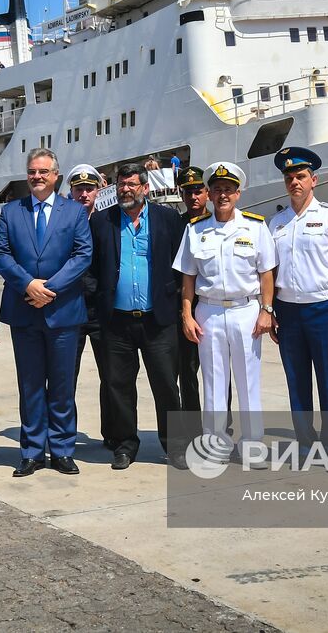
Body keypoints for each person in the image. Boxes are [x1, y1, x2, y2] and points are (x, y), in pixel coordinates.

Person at [0, 148, 93, 477]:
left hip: (62, 310)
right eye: (32, 171)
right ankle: (33, 451)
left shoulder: (73, 212)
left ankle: (63, 448)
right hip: (24, 312)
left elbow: (82, 255)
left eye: (43, 172)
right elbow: (2, 255)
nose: (37, 177)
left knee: (63, 385)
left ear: (56, 176)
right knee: (31, 384)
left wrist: (48, 289)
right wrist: (27, 285)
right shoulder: (11, 211)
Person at [173, 162, 276, 455]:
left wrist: (267, 310)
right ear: (209, 193)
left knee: (248, 382)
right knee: (213, 383)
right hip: (209, 311)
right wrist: (186, 314)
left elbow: (267, 273)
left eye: (228, 189)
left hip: (246, 311)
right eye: (217, 190)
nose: (222, 195)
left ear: (238, 193)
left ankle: (252, 444)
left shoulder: (255, 226)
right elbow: (188, 277)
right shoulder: (196, 230)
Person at [90, 162, 188, 470]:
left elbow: (181, 263)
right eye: (121, 184)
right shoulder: (102, 222)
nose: (125, 189)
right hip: (117, 320)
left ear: (145, 188)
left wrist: (172, 296)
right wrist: (100, 296)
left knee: (166, 385)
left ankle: (174, 446)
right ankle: (125, 445)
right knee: (119, 384)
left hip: (157, 319)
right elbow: (90, 266)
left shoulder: (167, 219)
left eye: (132, 184)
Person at [267, 147, 328, 464]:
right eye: (290, 178)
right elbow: (270, 272)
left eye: (301, 176)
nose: (295, 182)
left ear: (313, 180)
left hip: (323, 308)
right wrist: (271, 309)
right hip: (288, 311)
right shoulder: (276, 223)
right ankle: (305, 443)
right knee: (297, 382)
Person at [66, 165, 113, 450]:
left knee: (111, 376)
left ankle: (112, 433)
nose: (84, 194)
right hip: (70, 309)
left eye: (89, 188)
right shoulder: (62, 223)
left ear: (98, 191)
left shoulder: (108, 222)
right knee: (65, 377)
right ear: (70, 192)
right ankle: (64, 434)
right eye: (79, 189)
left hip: (101, 312)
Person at [175, 166, 209, 413]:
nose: (193, 197)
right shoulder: (176, 226)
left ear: (207, 192)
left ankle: (222, 425)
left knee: (217, 372)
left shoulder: (219, 222)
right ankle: (192, 425)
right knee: (186, 371)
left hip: (212, 307)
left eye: (198, 191)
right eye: (188, 192)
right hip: (185, 308)